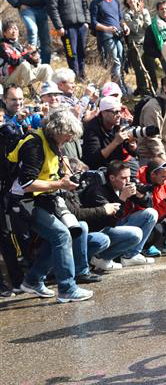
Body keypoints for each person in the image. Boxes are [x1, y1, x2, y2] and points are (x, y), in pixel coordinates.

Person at [8, 109, 93, 302]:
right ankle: (67, 288)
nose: (71, 137)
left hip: (39, 199)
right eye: (68, 132)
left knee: (56, 237)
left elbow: (46, 175)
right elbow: (27, 183)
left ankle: (32, 280)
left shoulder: (52, 143)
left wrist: (65, 180)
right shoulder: (34, 145)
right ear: (56, 130)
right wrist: (60, 184)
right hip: (22, 202)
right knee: (61, 235)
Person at [81, 159, 157, 268]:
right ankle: (101, 258)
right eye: (123, 178)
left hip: (115, 224)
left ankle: (130, 256)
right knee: (136, 234)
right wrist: (122, 198)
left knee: (151, 214)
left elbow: (149, 205)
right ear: (112, 178)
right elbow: (110, 220)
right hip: (100, 229)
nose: (128, 181)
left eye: (129, 177)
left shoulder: (123, 185)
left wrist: (141, 196)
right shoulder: (98, 191)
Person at [82, 96, 140, 175]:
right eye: (115, 112)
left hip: (119, 165)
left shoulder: (121, 123)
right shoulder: (92, 129)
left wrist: (132, 144)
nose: (119, 115)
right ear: (103, 113)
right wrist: (115, 142)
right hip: (100, 169)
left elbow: (134, 152)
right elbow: (95, 159)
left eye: (120, 111)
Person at [89, 0, 130, 94]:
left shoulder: (115, 1)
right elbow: (93, 23)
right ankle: (118, 88)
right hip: (106, 37)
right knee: (115, 62)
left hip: (118, 36)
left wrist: (125, 26)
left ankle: (121, 85)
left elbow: (120, 18)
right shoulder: (95, 2)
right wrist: (107, 29)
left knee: (121, 61)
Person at [47, 0, 91, 81]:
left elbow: (85, 5)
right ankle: (74, 76)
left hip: (82, 26)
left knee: (82, 52)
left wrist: (87, 22)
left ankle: (82, 75)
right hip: (67, 28)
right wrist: (59, 26)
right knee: (71, 53)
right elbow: (53, 10)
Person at [0, 20, 53, 95]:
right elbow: (14, 61)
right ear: (4, 33)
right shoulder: (3, 45)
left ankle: (48, 92)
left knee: (46, 67)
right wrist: (26, 52)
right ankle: (32, 92)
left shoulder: (19, 46)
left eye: (15, 29)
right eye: (10, 29)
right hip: (7, 79)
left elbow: (33, 62)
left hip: (22, 76)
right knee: (24, 64)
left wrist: (34, 55)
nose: (14, 31)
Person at [3, 0, 52, 64]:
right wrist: (18, 4)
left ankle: (45, 67)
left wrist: (49, 2)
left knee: (45, 41)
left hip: (42, 8)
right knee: (32, 29)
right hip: (27, 8)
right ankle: (33, 62)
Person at [122, 0, 152, 96]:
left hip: (147, 44)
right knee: (139, 69)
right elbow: (135, 28)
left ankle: (153, 88)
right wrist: (138, 14)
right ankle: (143, 90)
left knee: (150, 67)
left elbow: (148, 27)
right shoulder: (126, 14)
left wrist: (141, 14)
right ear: (126, 1)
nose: (131, 0)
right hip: (135, 44)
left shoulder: (145, 11)